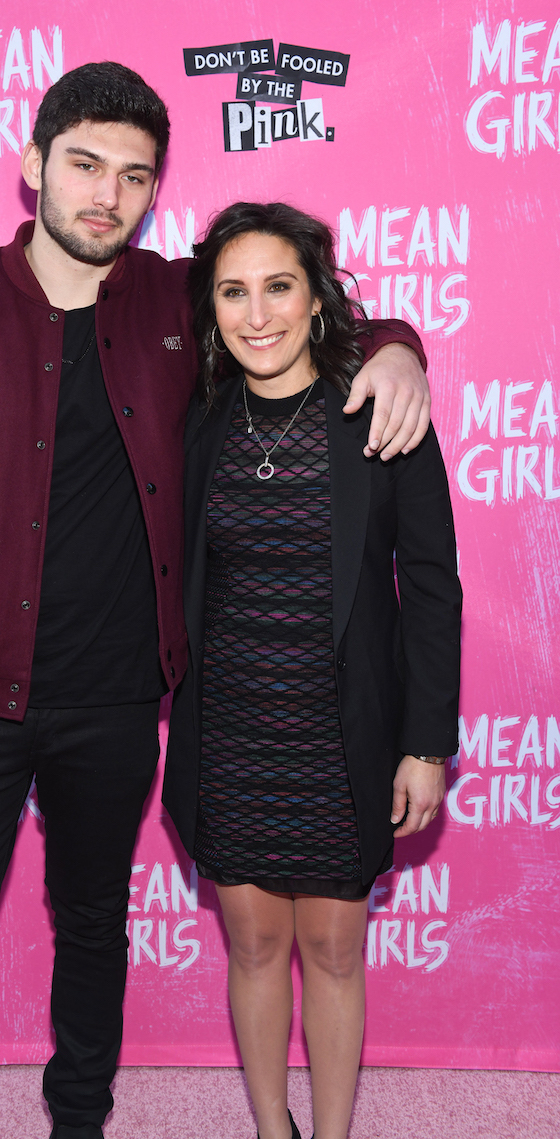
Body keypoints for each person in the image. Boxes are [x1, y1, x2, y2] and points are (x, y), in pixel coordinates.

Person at [0, 64, 431, 1139]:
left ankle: (79, 1122)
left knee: (94, 930)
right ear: (31, 168)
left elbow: (304, 308)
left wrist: (401, 353)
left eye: (134, 176)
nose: (106, 193)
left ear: (154, 192)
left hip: (115, 702)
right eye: (83, 165)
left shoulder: (170, 297)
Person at [163, 202, 461, 1139]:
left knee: (334, 951)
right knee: (252, 945)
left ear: (318, 299)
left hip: (342, 734)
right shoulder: (197, 419)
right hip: (232, 733)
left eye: (279, 287)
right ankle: (271, 1130)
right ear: (209, 308)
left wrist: (425, 746)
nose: (258, 315)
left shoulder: (382, 408)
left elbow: (433, 589)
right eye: (233, 292)